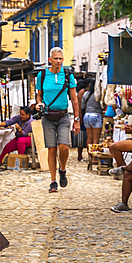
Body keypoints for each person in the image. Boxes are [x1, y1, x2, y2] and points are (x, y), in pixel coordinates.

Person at [35, 47, 80, 193]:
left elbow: (74, 99)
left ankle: (63, 169)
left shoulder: (68, 75)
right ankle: (53, 181)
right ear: (50, 60)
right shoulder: (42, 75)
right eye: (56, 58)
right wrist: (39, 103)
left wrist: (77, 119)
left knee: (64, 147)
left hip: (63, 116)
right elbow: (39, 95)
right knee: (52, 149)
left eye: (60, 58)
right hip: (48, 117)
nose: (59, 61)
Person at [78, 77, 103, 160]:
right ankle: (94, 158)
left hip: (87, 115)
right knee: (96, 140)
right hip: (96, 115)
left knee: (89, 138)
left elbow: (82, 106)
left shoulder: (86, 94)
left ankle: (89, 156)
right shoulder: (99, 94)